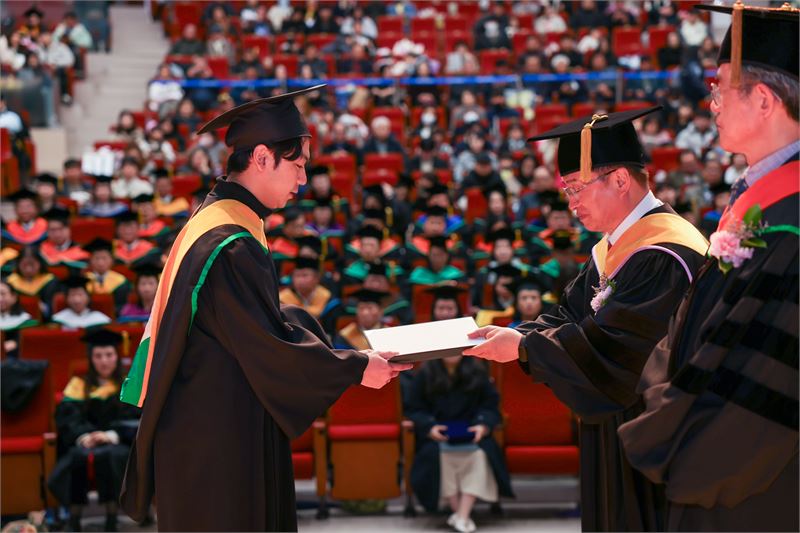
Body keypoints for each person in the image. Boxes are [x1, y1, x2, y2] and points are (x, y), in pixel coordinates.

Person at [119, 85, 412, 531]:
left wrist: (321, 343)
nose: (302, 180)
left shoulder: (219, 219)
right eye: (298, 165)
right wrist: (355, 367)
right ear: (261, 157)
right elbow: (267, 345)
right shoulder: (230, 243)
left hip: (210, 420)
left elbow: (250, 323)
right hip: (217, 437)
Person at [463, 107, 710, 532]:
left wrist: (523, 347)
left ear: (620, 180)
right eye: (566, 190)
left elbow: (616, 350)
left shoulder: (667, 251)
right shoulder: (612, 249)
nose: (570, 203)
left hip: (659, 440)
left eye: (577, 188)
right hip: (616, 432)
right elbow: (568, 315)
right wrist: (516, 334)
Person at [618, 6, 799, 531]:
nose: (711, 102)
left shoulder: (790, 221)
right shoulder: (757, 202)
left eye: (721, 89)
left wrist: (681, 438)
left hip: (751, 481)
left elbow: (768, 374)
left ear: (763, 100)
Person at [405, 354, 513, 533]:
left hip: (471, 434)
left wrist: (483, 425)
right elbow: (414, 408)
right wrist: (429, 426)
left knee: (480, 456)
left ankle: (461, 515)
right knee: (438, 457)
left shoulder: (478, 371)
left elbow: (490, 405)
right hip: (438, 437)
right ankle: (461, 515)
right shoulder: (425, 373)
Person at [48, 328, 140, 532]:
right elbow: (67, 418)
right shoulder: (78, 385)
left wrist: (111, 435)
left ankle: (112, 516)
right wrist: (84, 436)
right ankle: (74, 517)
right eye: (98, 356)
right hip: (85, 442)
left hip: (118, 443)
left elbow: (136, 419)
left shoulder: (128, 385)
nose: (104, 361)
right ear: (91, 358)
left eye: (109, 355)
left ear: (117, 357)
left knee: (111, 456)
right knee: (77, 457)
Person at [0, 280, 39, 358]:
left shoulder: (24, 320)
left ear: (14, 297)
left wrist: (16, 343)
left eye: (3, 294)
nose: (0, 298)